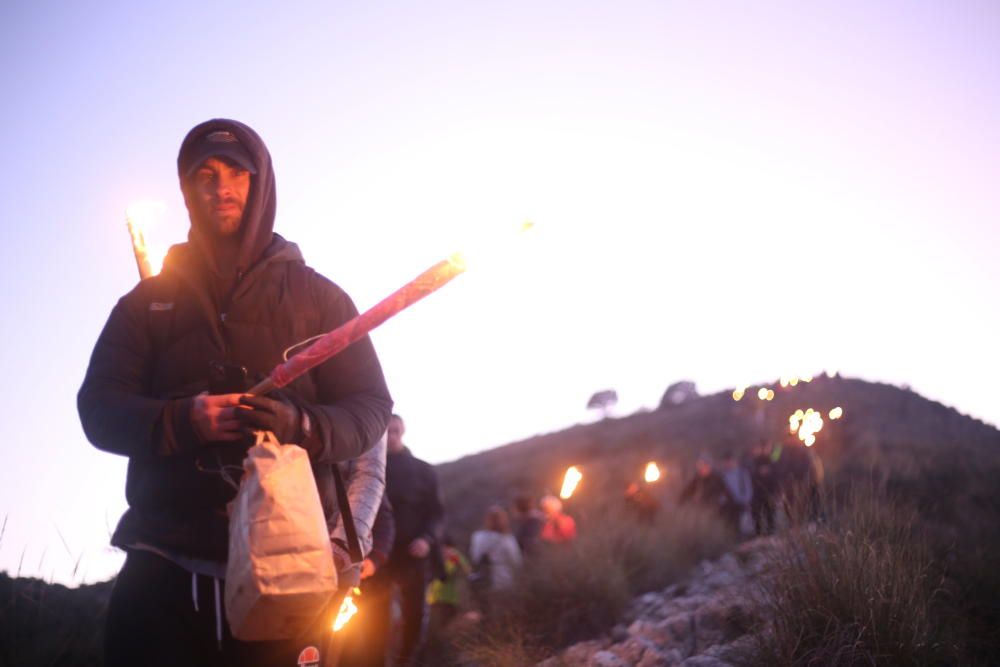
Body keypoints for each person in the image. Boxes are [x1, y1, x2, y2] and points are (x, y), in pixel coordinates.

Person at [77, 119, 393, 667]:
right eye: (204, 173)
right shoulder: (145, 305)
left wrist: (302, 427)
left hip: (290, 566)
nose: (220, 186)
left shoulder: (319, 299)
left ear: (261, 182)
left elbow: (369, 409)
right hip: (164, 561)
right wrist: (181, 420)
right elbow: (99, 407)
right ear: (187, 190)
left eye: (237, 173)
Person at [353, 414, 445, 667]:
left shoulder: (423, 471)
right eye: (386, 432)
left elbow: (436, 514)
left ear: (402, 431)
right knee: (375, 619)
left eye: (395, 431)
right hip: (378, 557)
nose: (391, 436)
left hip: (413, 555)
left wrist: (427, 539)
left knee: (414, 617)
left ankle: (408, 662)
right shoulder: (367, 470)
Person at [469, 506, 523, 595]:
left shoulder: (478, 537)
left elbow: (475, 558)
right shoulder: (508, 539)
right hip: (505, 580)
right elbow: (516, 561)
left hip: (485, 580)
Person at [719, 450, 753, 534]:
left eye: (729, 461)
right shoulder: (722, 475)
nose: (728, 463)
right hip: (727, 506)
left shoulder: (742, 473)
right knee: (728, 527)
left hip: (739, 504)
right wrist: (721, 501)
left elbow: (748, 488)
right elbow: (721, 491)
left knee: (740, 527)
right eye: (726, 461)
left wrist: (746, 501)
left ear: (734, 461)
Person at [749, 441, 778, 535]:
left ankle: (771, 532)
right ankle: (759, 533)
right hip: (758, 492)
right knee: (757, 514)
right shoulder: (755, 461)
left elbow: (776, 475)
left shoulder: (772, 460)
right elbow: (752, 475)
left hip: (770, 491)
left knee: (770, 513)